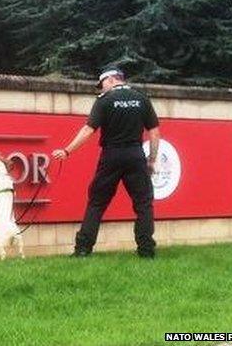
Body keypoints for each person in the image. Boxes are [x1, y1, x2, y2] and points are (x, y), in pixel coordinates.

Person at [52, 66, 160, 258]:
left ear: (110, 80)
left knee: (97, 202)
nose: (100, 89)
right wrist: (151, 160)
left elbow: (88, 130)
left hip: (111, 155)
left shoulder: (105, 101)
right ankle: (146, 250)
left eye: (101, 84)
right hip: (135, 155)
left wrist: (67, 151)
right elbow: (154, 131)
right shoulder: (142, 99)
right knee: (143, 203)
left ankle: (83, 249)